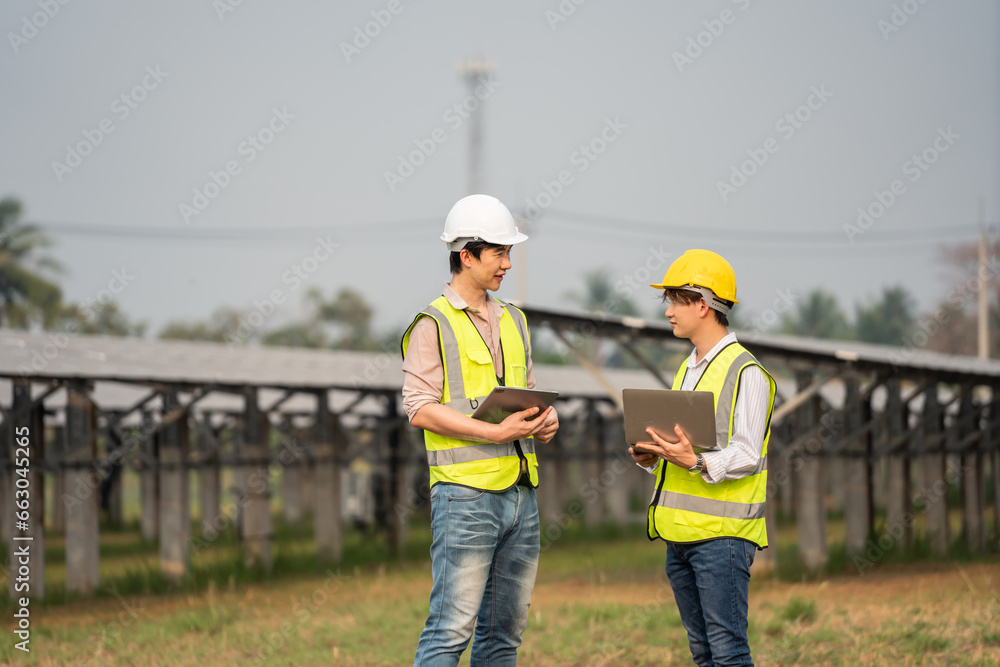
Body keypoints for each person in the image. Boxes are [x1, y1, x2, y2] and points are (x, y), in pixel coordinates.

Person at [401, 193, 559, 666]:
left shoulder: (515, 319)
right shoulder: (432, 323)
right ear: (466, 255)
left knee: (503, 638)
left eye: (510, 252)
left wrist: (544, 421)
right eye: (498, 253)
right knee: (450, 631)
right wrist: (492, 433)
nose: (507, 264)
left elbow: (525, 394)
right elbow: (419, 408)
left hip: (520, 494)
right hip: (464, 497)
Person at [629, 248, 776, 667]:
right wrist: (652, 454)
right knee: (703, 653)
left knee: (728, 653)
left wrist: (695, 462)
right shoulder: (687, 369)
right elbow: (687, 447)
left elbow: (747, 452)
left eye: (675, 301)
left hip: (722, 538)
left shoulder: (747, 372)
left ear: (703, 304)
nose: (669, 313)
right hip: (681, 538)